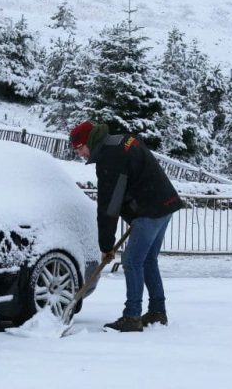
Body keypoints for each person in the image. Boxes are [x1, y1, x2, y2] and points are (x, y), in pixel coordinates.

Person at [69, 120, 184, 332]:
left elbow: (109, 206)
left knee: (131, 261)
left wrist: (106, 246)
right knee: (147, 260)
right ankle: (158, 311)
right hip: (164, 204)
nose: (80, 154)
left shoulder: (109, 158)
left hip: (150, 210)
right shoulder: (120, 141)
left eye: (79, 149)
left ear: (88, 142)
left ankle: (132, 316)